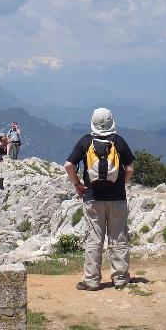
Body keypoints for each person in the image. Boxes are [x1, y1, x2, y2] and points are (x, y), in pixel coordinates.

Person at [64, 107, 135, 290]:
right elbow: (129, 169)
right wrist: (122, 185)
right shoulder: (119, 142)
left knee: (94, 239)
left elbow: (68, 165)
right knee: (118, 238)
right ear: (112, 121)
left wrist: (78, 185)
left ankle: (92, 280)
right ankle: (120, 278)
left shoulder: (86, 141)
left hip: (93, 198)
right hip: (117, 198)